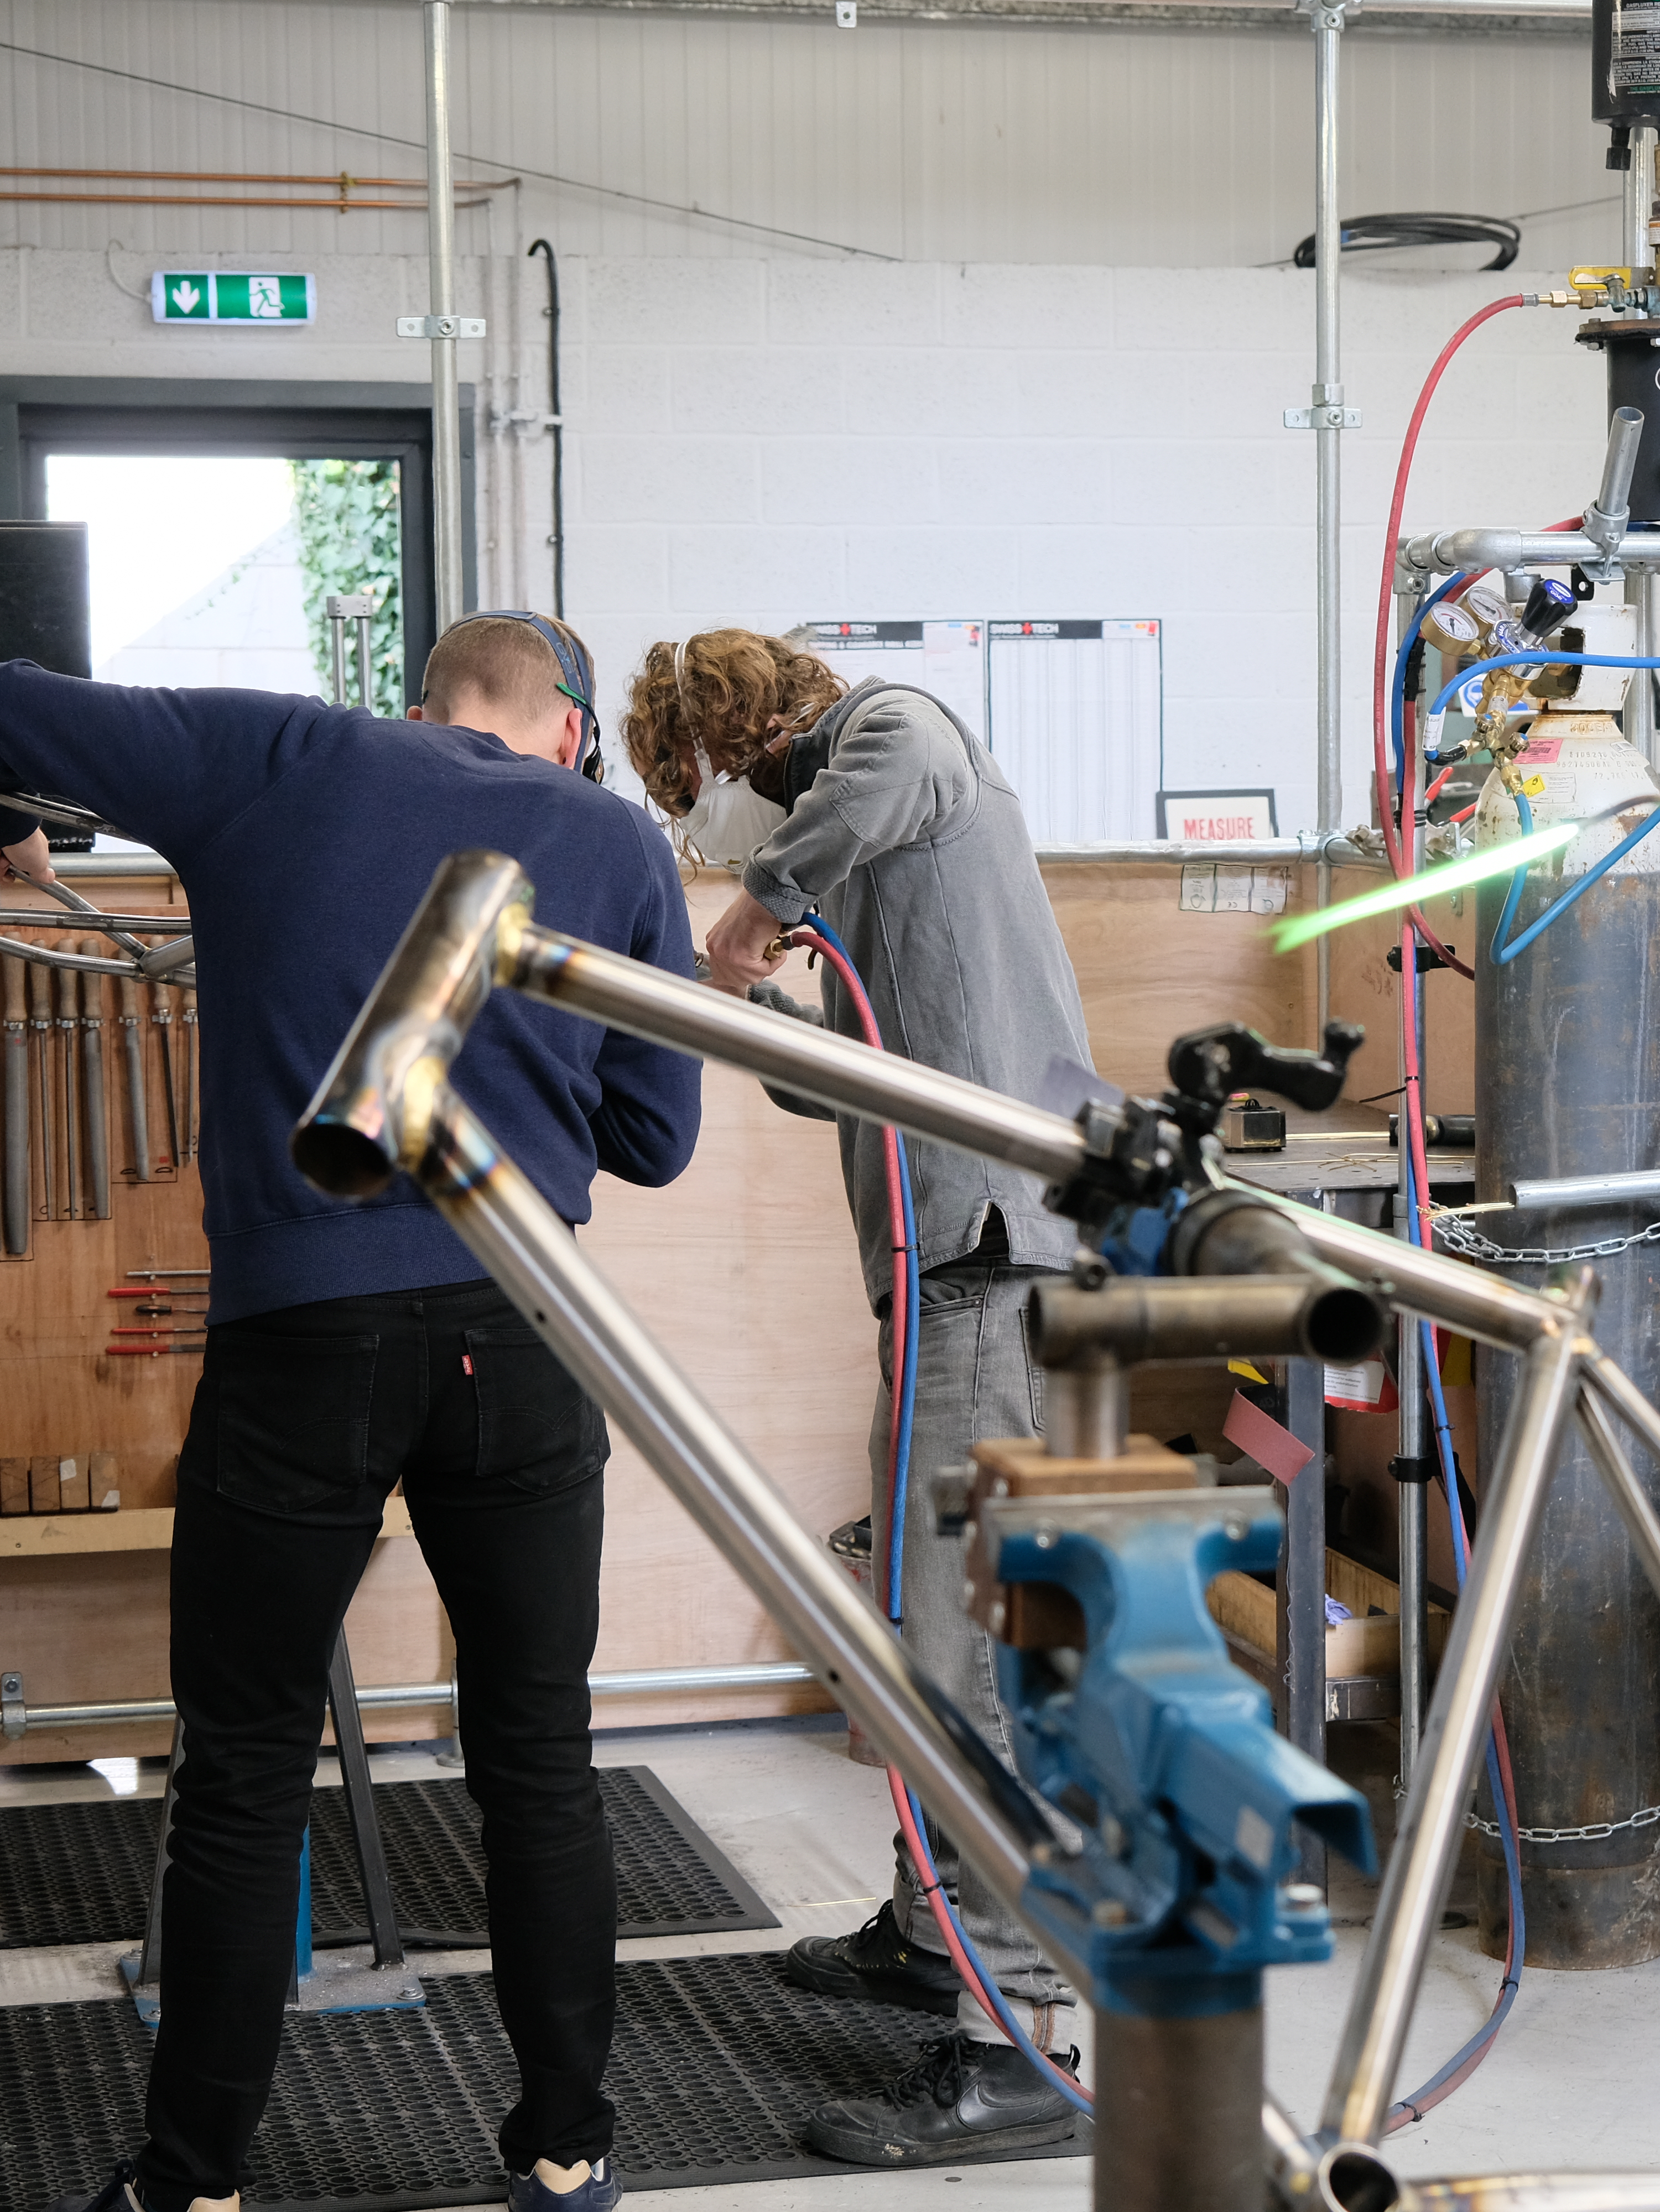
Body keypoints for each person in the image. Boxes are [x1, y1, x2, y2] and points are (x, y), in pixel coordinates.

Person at [0, 613, 702, 2212]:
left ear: (426, 695)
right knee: (538, 1761)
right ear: (563, 720)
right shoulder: (615, 836)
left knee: (243, 1768)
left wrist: (6, 813)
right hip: (529, 1323)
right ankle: (568, 2159)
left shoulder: (280, 752)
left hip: (307, 1336)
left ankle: (195, 2184)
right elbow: (651, 1140)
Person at [623, 628, 1098, 2167]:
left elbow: (884, 772)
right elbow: (849, 1071)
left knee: (964, 1661)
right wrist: (735, 1011)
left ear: (749, 742)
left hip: (995, 1250)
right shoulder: (868, 859)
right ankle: (924, 1934)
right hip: (942, 1258)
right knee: (916, 1622)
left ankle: (1019, 2043)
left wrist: (748, 922)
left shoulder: (900, 736)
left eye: (700, 798)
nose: (717, 840)